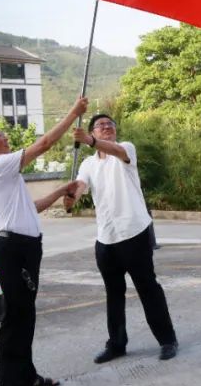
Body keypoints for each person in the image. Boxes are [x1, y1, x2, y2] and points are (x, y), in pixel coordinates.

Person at [0, 96, 88, 386]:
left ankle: (27, 376)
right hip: (13, 249)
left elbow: (30, 209)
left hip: (26, 247)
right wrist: (73, 112)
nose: (4, 137)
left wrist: (61, 191)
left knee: (26, 316)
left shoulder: (7, 174)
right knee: (14, 319)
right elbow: (45, 143)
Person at [69, 113, 178, 365]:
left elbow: (116, 150)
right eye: (100, 126)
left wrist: (89, 141)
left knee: (148, 288)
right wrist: (71, 197)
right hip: (105, 238)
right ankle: (116, 344)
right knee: (113, 294)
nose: (106, 127)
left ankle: (167, 340)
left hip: (134, 232)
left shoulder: (125, 149)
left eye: (110, 125)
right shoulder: (88, 164)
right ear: (92, 131)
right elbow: (81, 186)